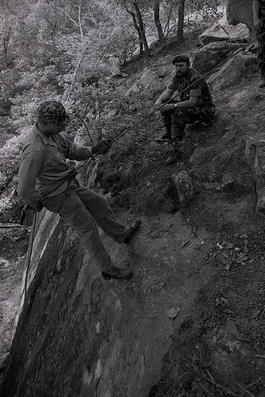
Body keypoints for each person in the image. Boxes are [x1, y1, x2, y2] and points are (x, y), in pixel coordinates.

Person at [18, 100, 141, 281]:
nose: (62, 127)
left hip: (69, 185)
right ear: (46, 122)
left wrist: (94, 150)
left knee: (99, 203)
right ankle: (108, 269)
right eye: (59, 124)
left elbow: (72, 150)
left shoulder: (52, 135)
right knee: (88, 230)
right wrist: (35, 202)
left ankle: (122, 234)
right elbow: (24, 188)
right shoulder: (34, 150)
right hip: (57, 196)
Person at [154, 54, 215, 165]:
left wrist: (173, 106)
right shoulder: (178, 75)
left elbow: (192, 102)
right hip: (191, 107)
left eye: (181, 65)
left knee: (178, 111)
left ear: (188, 65)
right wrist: (158, 102)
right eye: (176, 66)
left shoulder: (195, 78)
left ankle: (175, 149)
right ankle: (168, 134)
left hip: (204, 110)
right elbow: (168, 92)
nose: (178, 68)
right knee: (165, 104)